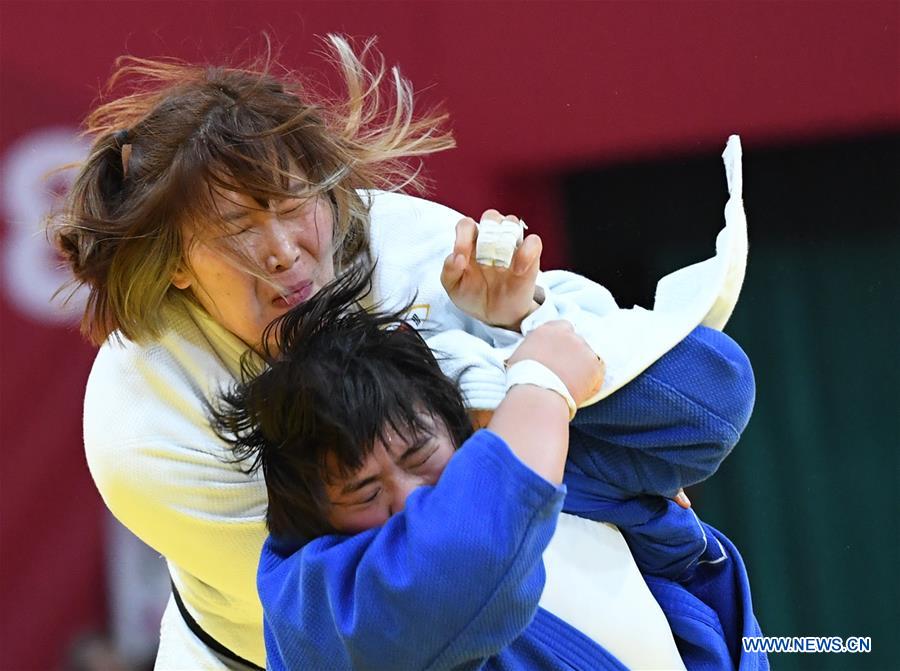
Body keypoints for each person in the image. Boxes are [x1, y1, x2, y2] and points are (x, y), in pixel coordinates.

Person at [54, 36, 758, 669]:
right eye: (238, 225)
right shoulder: (144, 417)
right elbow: (418, 590)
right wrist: (537, 390)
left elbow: (698, 396)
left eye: (293, 202)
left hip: (512, 549)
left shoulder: (394, 239)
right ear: (174, 259)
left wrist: (519, 320)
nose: (283, 249)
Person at [210, 265, 764, 670]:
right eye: (364, 492)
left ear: (456, 426)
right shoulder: (323, 611)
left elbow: (711, 397)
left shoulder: (520, 443)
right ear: (314, 518)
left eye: (418, 457)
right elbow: (464, 555)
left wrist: (523, 323)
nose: (410, 499)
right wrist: (543, 390)